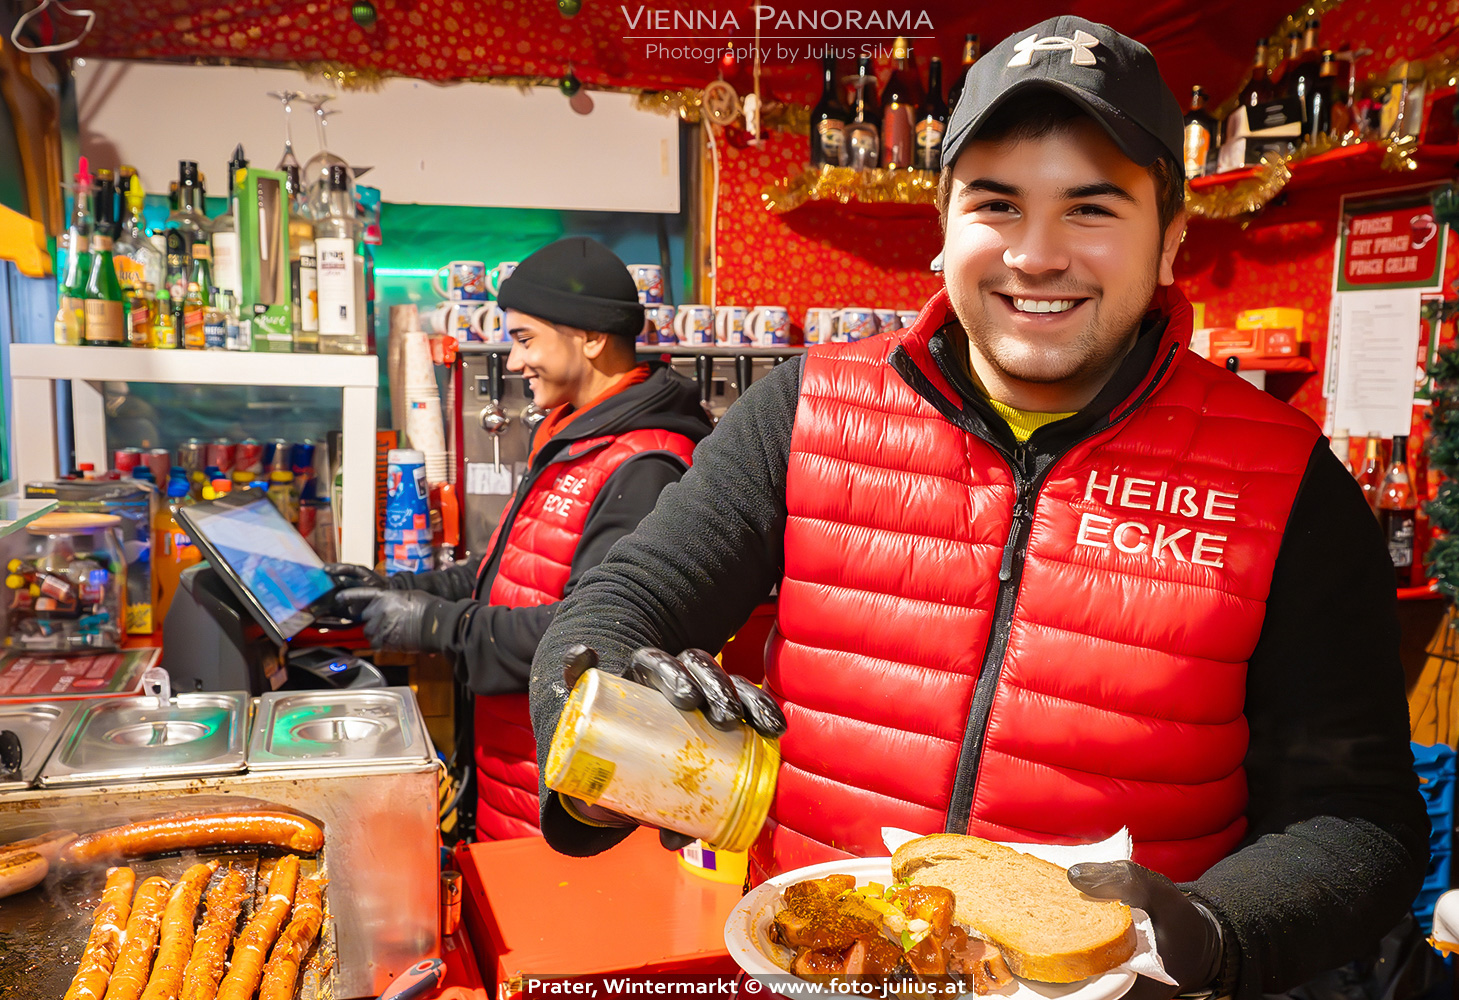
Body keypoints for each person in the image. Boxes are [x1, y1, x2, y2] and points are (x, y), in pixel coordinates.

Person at [527, 18, 1427, 1000]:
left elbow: (1359, 818)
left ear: (1170, 237)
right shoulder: (803, 409)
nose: (1037, 256)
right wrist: (607, 738)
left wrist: (1213, 931)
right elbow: (618, 605)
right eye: (996, 203)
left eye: (1092, 209)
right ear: (943, 225)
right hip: (827, 972)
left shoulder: (1287, 480)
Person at [334, 236, 712, 840]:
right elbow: (510, 569)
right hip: (512, 773)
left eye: (525, 339)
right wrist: (402, 587)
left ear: (590, 337)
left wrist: (438, 625)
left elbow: (589, 636)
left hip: (565, 803)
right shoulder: (571, 439)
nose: (513, 363)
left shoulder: (646, 466)